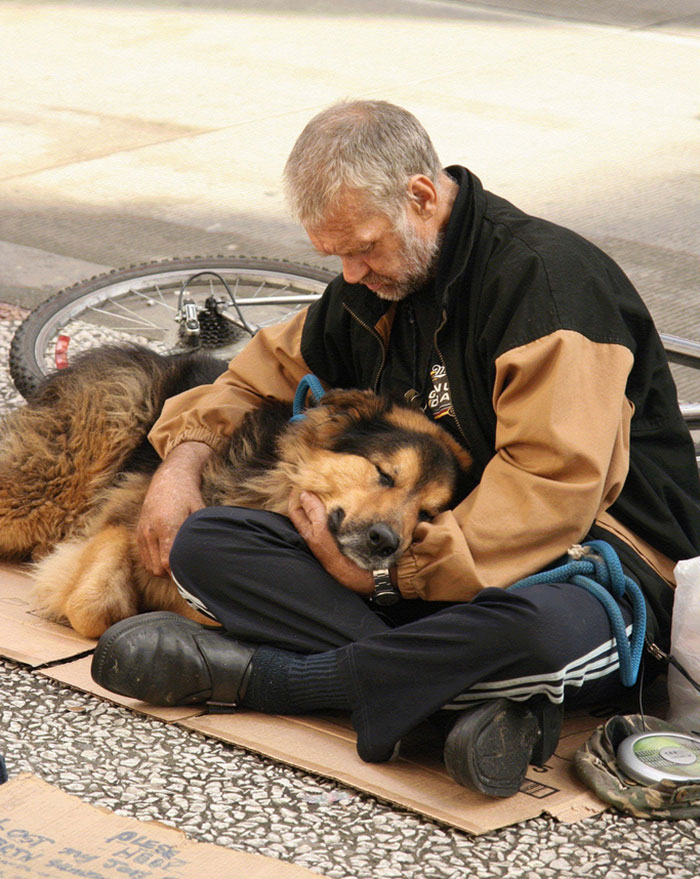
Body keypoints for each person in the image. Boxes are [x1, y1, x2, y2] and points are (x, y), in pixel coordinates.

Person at [91, 100, 700, 798]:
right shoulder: (376, 286)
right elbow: (253, 376)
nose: (350, 272)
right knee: (208, 543)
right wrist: (181, 462)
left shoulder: (545, 284)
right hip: (431, 569)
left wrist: (391, 580)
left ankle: (274, 678)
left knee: (532, 635)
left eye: (364, 246)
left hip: (593, 566)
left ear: (421, 195)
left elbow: (551, 491)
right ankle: (452, 703)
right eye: (336, 254)